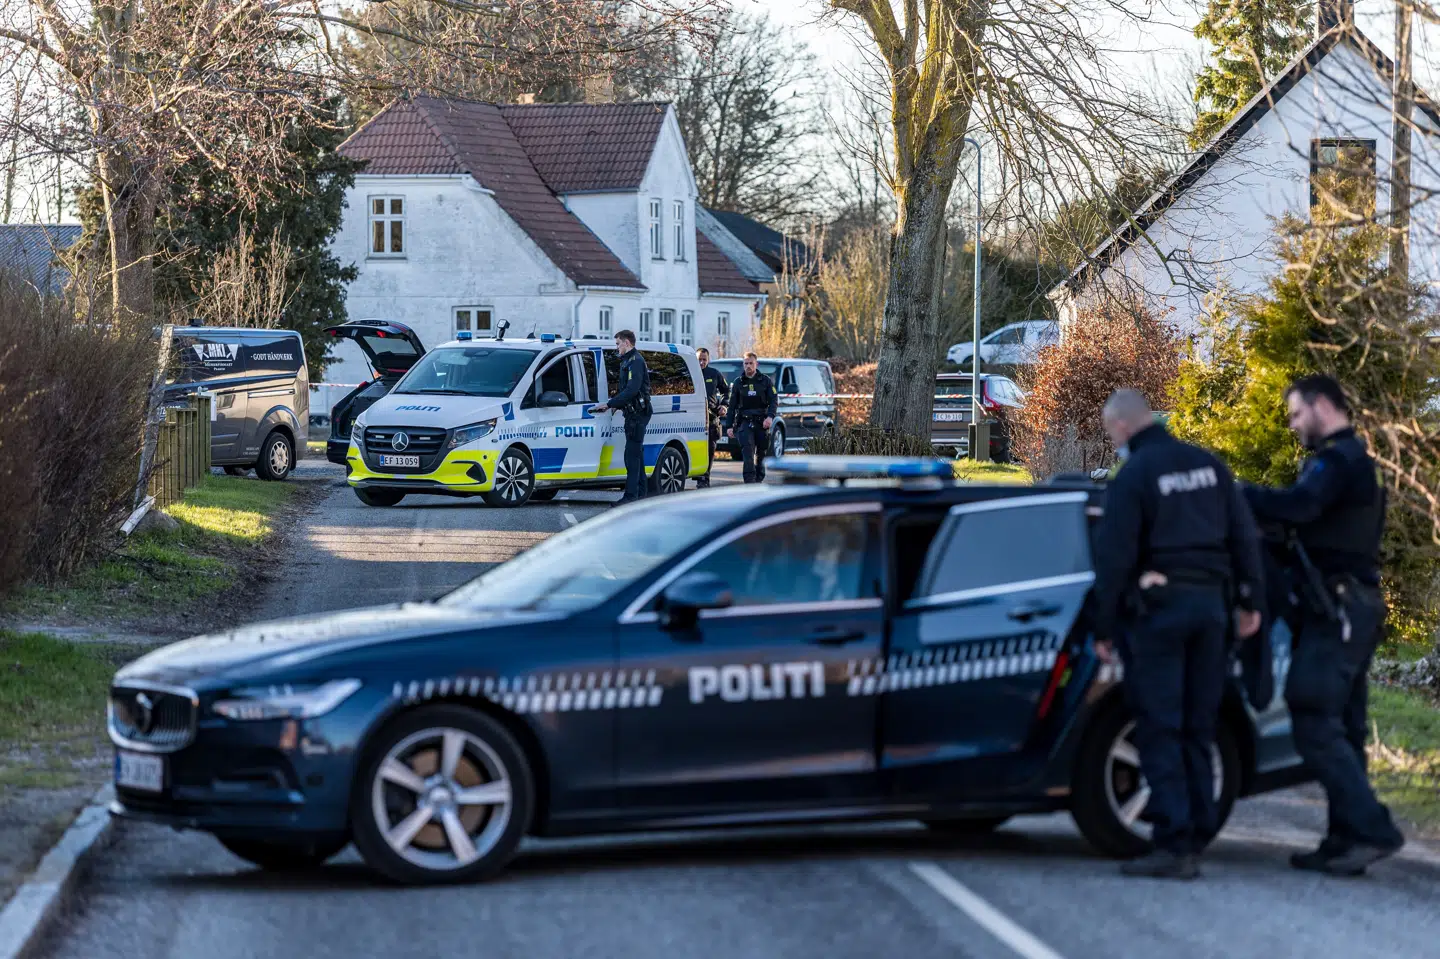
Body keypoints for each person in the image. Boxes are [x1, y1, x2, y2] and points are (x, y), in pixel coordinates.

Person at [1092, 389, 1265, 880]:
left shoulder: (1136, 476)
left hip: (1161, 614)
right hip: (1212, 611)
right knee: (1198, 723)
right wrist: (1251, 602)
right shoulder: (1208, 465)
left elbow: (1115, 556)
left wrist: (1104, 625)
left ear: (1122, 426)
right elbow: (1244, 536)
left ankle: (1173, 843)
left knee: (1159, 724)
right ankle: (1198, 830)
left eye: (1111, 433)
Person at [1242, 374, 1405, 876]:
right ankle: (1345, 839)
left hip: (1339, 610)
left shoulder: (1339, 461)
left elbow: (1300, 507)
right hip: (1353, 606)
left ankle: (1373, 828)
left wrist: (1240, 494)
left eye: (1295, 414)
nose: (1292, 426)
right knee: (1346, 726)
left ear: (1320, 406)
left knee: (1311, 711)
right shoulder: (1358, 463)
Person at [590, 330, 651, 504]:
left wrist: (610, 404)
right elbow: (626, 390)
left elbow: (632, 390)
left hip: (638, 415)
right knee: (636, 454)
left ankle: (630, 497)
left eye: (618, 344)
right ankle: (640, 495)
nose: (616, 347)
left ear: (627, 343)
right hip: (633, 413)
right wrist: (616, 405)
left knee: (631, 456)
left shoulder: (636, 362)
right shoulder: (628, 361)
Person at [723, 352, 777, 484]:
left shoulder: (765, 381)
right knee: (747, 453)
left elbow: (773, 401)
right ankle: (749, 482)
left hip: (762, 422)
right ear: (743, 365)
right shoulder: (738, 383)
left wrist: (770, 417)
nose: (748, 366)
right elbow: (732, 407)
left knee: (761, 454)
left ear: (756, 364)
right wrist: (729, 426)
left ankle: (759, 479)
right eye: (746, 363)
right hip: (745, 423)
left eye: (751, 363)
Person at [696, 348, 728, 488]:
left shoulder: (714, 374)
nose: (702, 362)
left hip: (711, 419)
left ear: (708, 360)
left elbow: (727, 392)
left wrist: (724, 406)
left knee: (709, 450)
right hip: (693, 418)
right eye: (699, 359)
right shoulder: (690, 373)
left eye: (704, 359)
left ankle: (704, 479)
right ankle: (697, 475)